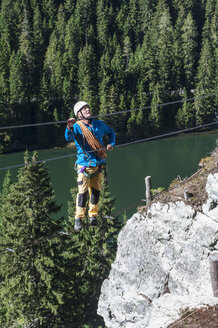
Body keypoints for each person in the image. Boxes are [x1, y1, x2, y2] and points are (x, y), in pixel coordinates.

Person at [65, 101, 116, 231]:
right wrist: (69, 127)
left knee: (96, 191)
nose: (88, 109)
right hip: (84, 165)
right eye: (84, 109)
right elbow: (68, 137)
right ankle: (79, 218)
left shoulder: (99, 124)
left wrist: (111, 143)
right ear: (79, 114)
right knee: (82, 192)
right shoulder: (77, 126)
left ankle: (93, 215)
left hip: (98, 164)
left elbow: (111, 133)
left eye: (87, 107)